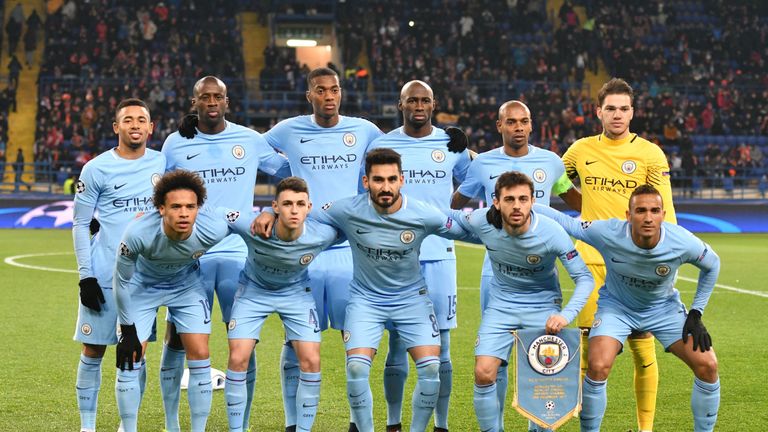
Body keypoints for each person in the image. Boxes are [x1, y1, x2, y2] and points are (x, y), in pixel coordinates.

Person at [311, 148, 476, 432]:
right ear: (366, 182)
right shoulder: (346, 209)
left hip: (412, 300)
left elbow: (462, 229)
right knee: (356, 368)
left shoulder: (422, 213)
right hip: (366, 301)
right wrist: (270, 216)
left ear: (401, 180)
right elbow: (308, 216)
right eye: (378, 180)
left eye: (391, 179)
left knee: (431, 369)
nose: (385, 187)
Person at [161, 75, 290, 432]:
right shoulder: (175, 144)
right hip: (191, 257)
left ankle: (242, 425)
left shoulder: (249, 140)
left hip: (238, 255)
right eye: (205, 97)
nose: (212, 102)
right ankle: (172, 424)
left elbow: (291, 171)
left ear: (227, 102)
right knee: (175, 338)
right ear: (195, 102)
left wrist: (274, 210)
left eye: (218, 96)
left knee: (242, 343)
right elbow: (156, 191)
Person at [534, 185, 720, 432]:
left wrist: (696, 313)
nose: (648, 217)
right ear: (628, 214)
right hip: (617, 309)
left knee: (708, 365)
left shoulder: (681, 240)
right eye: (640, 210)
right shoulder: (609, 232)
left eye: (654, 210)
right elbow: (569, 224)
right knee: (598, 366)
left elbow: (712, 264)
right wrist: (526, 204)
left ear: (663, 214)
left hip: (662, 310)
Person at [450, 100, 579, 430]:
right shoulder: (483, 165)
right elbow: (455, 204)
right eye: (511, 122)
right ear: (500, 126)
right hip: (495, 271)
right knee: (497, 360)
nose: (518, 127)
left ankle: (536, 422)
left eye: (523, 122)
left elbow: (577, 201)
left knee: (538, 359)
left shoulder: (550, 162)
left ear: (531, 125)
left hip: (540, 273)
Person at [561, 78, 677, 432]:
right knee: (590, 350)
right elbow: (555, 181)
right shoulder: (580, 150)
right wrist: (584, 208)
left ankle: (645, 429)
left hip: (636, 265)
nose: (617, 115)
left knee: (643, 348)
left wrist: (664, 261)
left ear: (633, 112)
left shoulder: (650, 154)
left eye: (624, 108)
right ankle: (589, 426)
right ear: (598, 111)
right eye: (610, 108)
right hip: (592, 263)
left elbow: (665, 213)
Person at [365, 80, 471, 432]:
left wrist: (450, 213)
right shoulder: (382, 143)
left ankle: (440, 425)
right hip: (396, 256)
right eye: (413, 100)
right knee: (397, 341)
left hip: (440, 254)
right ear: (401, 104)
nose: (419, 106)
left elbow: (473, 182)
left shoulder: (450, 144)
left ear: (434, 103)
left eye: (425, 100)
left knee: (442, 346)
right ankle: (393, 423)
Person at [71, 98, 165, 432]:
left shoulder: (163, 163)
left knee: (134, 354)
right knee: (93, 348)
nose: (135, 125)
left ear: (151, 127)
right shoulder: (96, 168)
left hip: (143, 279)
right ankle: (88, 426)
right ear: (116, 127)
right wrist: (86, 277)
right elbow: (81, 224)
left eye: (142, 119)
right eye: (128, 120)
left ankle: (128, 427)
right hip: (104, 273)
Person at [113, 170, 229, 432]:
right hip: (143, 288)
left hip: (186, 287)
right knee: (130, 357)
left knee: (200, 352)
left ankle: (184, 428)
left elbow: (246, 223)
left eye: (190, 206)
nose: (184, 213)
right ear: (161, 208)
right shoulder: (138, 232)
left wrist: (268, 217)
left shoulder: (214, 227)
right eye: (176, 207)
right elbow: (120, 281)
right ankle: (128, 428)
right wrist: (127, 329)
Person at [224, 177, 343, 432]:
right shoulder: (252, 226)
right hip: (253, 292)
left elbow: (357, 224)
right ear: (275, 207)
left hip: (295, 293)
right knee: (238, 357)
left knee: (311, 360)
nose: (294, 210)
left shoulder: (322, 234)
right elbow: (221, 214)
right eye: (287, 204)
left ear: (309, 207)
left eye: (300, 204)